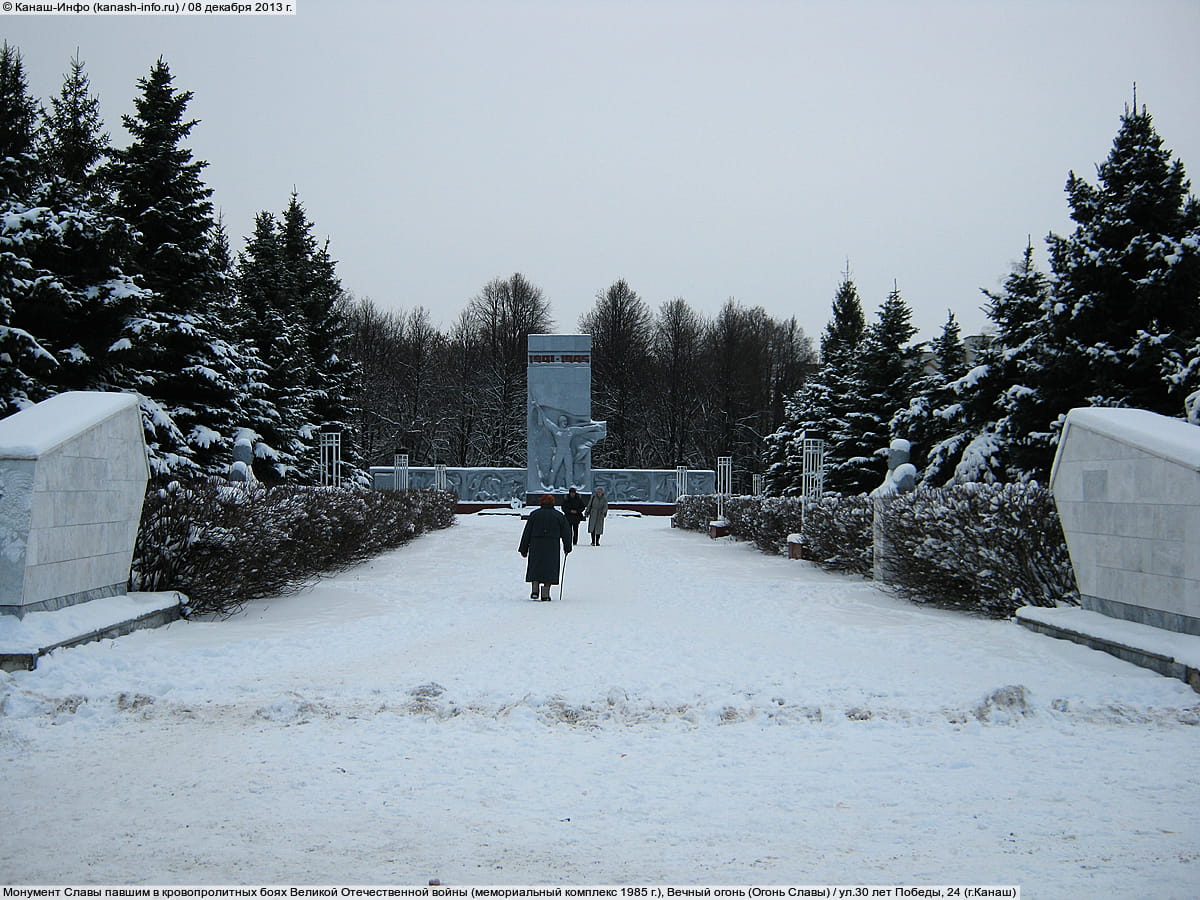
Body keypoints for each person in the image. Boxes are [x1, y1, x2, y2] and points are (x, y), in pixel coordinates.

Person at [519, 494, 572, 601]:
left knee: (535, 565)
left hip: (536, 544)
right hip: (551, 545)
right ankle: (545, 593)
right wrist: (567, 547)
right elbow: (566, 533)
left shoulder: (534, 515)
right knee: (550, 568)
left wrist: (523, 548)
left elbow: (527, 532)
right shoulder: (559, 516)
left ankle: (535, 589)